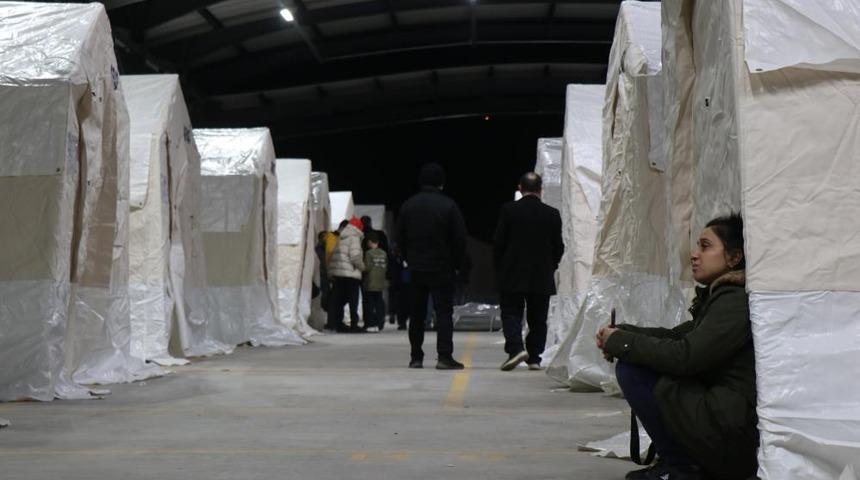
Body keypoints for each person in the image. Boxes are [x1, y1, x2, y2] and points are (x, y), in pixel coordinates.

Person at [596, 213, 757, 480]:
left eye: (705, 247)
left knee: (635, 371)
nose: (694, 255)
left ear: (734, 257)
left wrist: (622, 343)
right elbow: (675, 336)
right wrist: (621, 334)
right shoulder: (722, 297)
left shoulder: (734, 301)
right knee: (640, 360)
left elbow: (687, 355)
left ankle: (683, 468)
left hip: (733, 431)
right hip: (728, 419)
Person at [397, 162, 468, 370]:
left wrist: (406, 258)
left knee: (416, 314)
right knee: (444, 312)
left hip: (416, 268)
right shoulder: (449, 206)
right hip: (442, 268)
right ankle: (444, 356)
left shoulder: (408, 205)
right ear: (441, 182)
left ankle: (416, 357)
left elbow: (399, 238)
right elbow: (460, 239)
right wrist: (456, 264)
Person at [493, 172, 564, 371]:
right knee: (538, 318)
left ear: (520, 188)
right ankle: (534, 357)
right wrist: (552, 265)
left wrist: (500, 267)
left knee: (511, 313)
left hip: (512, 272)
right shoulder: (552, 214)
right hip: (542, 274)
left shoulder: (508, 210)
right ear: (541, 189)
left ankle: (516, 349)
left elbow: (498, 243)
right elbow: (559, 246)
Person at [327, 217, 365, 333]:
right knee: (353, 301)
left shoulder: (341, 237)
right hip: (350, 274)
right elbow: (355, 256)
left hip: (339, 274)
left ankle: (338, 324)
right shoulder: (354, 237)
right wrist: (363, 268)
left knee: (340, 301)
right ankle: (354, 324)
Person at [362, 233, 388, 332]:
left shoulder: (369, 253)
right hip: (380, 281)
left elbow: (367, 267)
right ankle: (380, 323)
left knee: (370, 304)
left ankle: (371, 324)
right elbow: (386, 266)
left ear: (369, 242)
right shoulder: (384, 253)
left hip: (370, 281)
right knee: (379, 303)